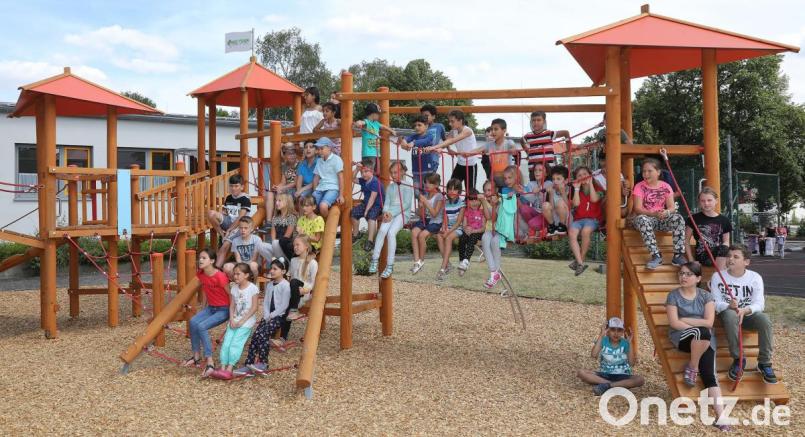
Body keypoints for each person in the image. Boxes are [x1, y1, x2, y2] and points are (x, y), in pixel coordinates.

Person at [666, 261, 731, 431]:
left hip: (706, 339)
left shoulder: (705, 296)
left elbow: (709, 322)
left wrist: (687, 320)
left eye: (688, 274)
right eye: (681, 273)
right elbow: (674, 323)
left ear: (698, 278)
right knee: (702, 332)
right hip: (682, 337)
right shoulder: (673, 296)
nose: (683, 277)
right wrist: (696, 327)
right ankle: (693, 367)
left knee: (710, 375)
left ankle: (722, 418)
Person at [710, 245, 777, 384]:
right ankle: (739, 358)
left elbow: (760, 304)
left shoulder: (755, 277)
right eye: (729, 256)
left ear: (746, 262)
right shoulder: (718, 276)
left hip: (747, 314)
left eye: (736, 257)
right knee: (730, 315)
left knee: (764, 319)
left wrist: (745, 310)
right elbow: (715, 302)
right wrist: (728, 305)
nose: (730, 259)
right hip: (727, 314)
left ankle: (764, 363)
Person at [237, 257, 291, 376]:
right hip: (267, 316)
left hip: (278, 317)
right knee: (256, 335)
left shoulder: (285, 285)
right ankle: (249, 364)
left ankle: (263, 363)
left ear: (283, 271)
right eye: (271, 268)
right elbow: (266, 301)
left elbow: (284, 305)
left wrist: (272, 315)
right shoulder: (270, 284)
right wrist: (266, 314)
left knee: (263, 334)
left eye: (275, 269)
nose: (271, 271)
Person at [631, 158, 686, 269]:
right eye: (644, 171)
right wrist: (653, 213)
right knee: (642, 218)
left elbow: (671, 208)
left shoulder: (666, 186)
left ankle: (678, 255)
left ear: (658, 172)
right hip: (646, 219)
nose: (646, 174)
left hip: (661, 218)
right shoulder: (639, 187)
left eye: (649, 171)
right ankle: (656, 256)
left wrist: (666, 212)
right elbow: (637, 208)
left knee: (678, 218)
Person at [183, 249, 230, 378]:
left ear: (212, 261)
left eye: (204, 258)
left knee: (201, 326)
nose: (200, 260)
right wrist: (204, 307)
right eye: (200, 258)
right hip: (211, 308)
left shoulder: (220, 276)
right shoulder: (201, 274)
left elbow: (231, 295)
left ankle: (210, 361)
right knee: (193, 321)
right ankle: (196, 356)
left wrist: (233, 315)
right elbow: (205, 289)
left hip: (224, 309)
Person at [211, 263, 260, 380]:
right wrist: (232, 319)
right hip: (234, 320)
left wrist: (242, 321)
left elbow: (254, 308)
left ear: (247, 275)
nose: (235, 276)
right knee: (227, 342)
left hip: (246, 322)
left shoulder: (253, 288)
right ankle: (222, 366)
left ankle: (230, 367)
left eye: (238, 274)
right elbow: (232, 306)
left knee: (235, 343)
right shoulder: (233, 288)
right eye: (234, 274)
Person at [576, 317, 645, 396]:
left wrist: (630, 344)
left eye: (619, 330)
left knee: (640, 379)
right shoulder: (604, 340)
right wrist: (601, 335)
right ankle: (615, 384)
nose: (616, 333)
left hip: (622, 375)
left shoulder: (625, 343)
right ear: (608, 331)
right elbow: (593, 355)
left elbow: (632, 363)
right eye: (613, 329)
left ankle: (608, 386)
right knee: (581, 372)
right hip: (604, 375)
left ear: (623, 332)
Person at [368, 161, 414, 278]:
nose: (393, 175)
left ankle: (390, 265)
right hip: (390, 213)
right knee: (382, 230)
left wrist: (391, 213)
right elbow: (387, 202)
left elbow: (406, 204)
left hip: (402, 214)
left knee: (391, 233)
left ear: (402, 172)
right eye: (392, 173)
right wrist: (385, 213)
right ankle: (374, 259)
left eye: (396, 172)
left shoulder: (408, 186)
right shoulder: (390, 187)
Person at [427, 109, 479, 192]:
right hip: (460, 164)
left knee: (470, 191)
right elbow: (447, 141)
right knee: (451, 187)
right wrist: (443, 149)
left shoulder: (467, 131)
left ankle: (470, 204)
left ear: (460, 121)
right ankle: (454, 204)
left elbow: (452, 140)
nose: (450, 123)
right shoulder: (453, 131)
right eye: (449, 121)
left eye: (452, 121)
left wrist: (434, 147)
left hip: (470, 165)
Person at [207, 174, 251, 268]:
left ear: (242, 187)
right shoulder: (229, 198)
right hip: (228, 223)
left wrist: (230, 230)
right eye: (231, 186)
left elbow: (240, 218)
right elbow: (225, 213)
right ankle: (222, 234)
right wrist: (221, 219)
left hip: (239, 226)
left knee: (224, 246)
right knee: (211, 213)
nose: (233, 188)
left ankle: (216, 269)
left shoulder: (245, 199)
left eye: (236, 186)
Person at [685, 187, 731, 270]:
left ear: (716, 201)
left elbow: (726, 242)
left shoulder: (724, 220)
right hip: (703, 255)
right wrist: (691, 260)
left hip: (720, 254)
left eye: (709, 200)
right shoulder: (693, 219)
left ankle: (721, 274)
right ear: (699, 202)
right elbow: (686, 241)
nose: (706, 203)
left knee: (732, 250)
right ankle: (720, 277)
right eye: (703, 201)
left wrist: (724, 254)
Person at [568, 166, 602, 276]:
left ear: (590, 174)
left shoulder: (597, 188)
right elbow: (576, 204)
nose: (582, 176)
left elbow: (594, 199)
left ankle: (579, 262)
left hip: (593, 219)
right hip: (579, 219)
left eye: (584, 174)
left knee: (585, 231)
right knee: (572, 232)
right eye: (579, 175)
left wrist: (591, 183)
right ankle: (580, 263)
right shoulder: (577, 191)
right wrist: (577, 188)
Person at [467, 119, 518, 189]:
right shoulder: (489, 145)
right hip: (495, 179)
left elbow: (513, 148)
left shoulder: (508, 142)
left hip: (507, 180)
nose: (493, 132)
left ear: (504, 130)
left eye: (496, 129)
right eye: (492, 129)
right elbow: (478, 150)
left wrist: (513, 150)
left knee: (507, 196)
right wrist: (467, 153)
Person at [410, 173, 444, 275]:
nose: (426, 184)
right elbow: (422, 215)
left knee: (421, 235)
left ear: (436, 185)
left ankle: (421, 260)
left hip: (436, 221)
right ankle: (416, 261)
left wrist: (425, 202)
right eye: (425, 182)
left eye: (430, 183)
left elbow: (434, 214)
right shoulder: (425, 196)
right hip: (426, 220)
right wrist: (421, 207)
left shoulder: (439, 196)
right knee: (414, 232)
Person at [520, 111, 570, 175]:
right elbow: (521, 141)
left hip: (548, 169)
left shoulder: (549, 134)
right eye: (533, 120)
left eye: (539, 120)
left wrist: (568, 152)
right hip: (533, 170)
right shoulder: (528, 136)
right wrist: (528, 153)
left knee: (548, 184)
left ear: (544, 121)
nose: (536, 122)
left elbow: (566, 133)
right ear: (531, 122)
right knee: (533, 185)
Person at [351, 157, 383, 251]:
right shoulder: (363, 180)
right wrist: (357, 169)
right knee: (353, 213)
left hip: (377, 205)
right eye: (362, 172)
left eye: (366, 172)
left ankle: (370, 241)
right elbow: (352, 179)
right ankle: (356, 234)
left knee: (371, 216)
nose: (363, 174)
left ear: (372, 171)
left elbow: (373, 198)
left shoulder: (375, 182)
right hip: (366, 203)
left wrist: (366, 211)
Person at [400, 115, 438, 194]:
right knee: (417, 192)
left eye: (419, 125)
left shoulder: (429, 136)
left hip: (427, 170)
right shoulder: (414, 136)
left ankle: (427, 205)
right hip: (416, 170)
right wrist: (403, 141)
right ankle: (421, 205)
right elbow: (406, 139)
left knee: (427, 191)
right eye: (415, 125)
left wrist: (413, 143)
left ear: (426, 126)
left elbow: (425, 141)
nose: (416, 127)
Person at [436, 179, 465, 280]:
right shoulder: (445, 203)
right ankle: (448, 264)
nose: (452, 191)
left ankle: (443, 268)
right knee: (439, 236)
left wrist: (448, 231)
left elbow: (458, 222)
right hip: (448, 227)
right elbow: (445, 219)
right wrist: (444, 228)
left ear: (459, 191)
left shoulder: (462, 204)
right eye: (450, 189)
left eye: (455, 189)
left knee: (448, 238)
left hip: (458, 228)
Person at [286, 235, 318, 322]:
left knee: (294, 282)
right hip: (293, 290)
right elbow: (290, 277)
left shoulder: (313, 263)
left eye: (297, 245)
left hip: (304, 292)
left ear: (306, 246)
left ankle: (294, 310)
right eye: (294, 245)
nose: (295, 247)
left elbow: (313, 283)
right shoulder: (293, 261)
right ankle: (283, 335)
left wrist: (305, 290)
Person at [354, 103, 395, 169]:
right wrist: (359, 123)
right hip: (368, 153)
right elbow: (361, 122)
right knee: (368, 172)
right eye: (378, 114)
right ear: (373, 114)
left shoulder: (376, 123)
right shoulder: (367, 122)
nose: (379, 116)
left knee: (376, 172)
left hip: (376, 153)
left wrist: (391, 130)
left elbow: (383, 127)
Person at [518, 163, 552, 241]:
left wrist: (540, 189)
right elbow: (533, 200)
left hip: (545, 214)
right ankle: (535, 228)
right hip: (536, 211)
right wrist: (523, 192)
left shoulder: (549, 183)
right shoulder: (531, 184)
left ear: (546, 173)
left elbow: (547, 201)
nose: (537, 172)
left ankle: (538, 228)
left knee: (532, 224)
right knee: (523, 208)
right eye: (535, 170)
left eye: (540, 170)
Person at [311, 137, 344, 218]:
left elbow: (340, 177)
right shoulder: (319, 160)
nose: (319, 151)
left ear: (329, 148)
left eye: (322, 148)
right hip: (320, 188)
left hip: (332, 188)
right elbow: (316, 177)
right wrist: (315, 191)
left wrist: (341, 195)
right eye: (318, 149)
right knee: (310, 205)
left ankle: (325, 224)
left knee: (323, 206)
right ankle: (317, 224)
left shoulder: (337, 159)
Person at [266, 142, 299, 222]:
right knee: (270, 193)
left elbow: (295, 183)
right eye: (289, 154)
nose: (292, 156)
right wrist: (277, 186)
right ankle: (269, 221)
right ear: (285, 156)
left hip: (295, 189)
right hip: (286, 188)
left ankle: (279, 219)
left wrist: (282, 188)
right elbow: (283, 182)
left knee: (280, 194)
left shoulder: (300, 165)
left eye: (293, 154)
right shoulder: (285, 166)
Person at [223, 216, 264, 280]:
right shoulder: (235, 241)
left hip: (253, 265)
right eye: (241, 228)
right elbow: (238, 259)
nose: (243, 230)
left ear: (251, 229)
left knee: (252, 265)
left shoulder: (257, 239)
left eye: (246, 228)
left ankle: (253, 286)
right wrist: (241, 268)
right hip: (241, 264)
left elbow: (254, 259)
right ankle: (237, 283)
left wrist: (244, 268)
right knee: (227, 267)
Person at [457, 188, 485, 276]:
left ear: (480, 201)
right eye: (471, 200)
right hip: (469, 231)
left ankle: (466, 260)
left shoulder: (482, 212)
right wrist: (466, 229)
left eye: (476, 200)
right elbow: (464, 225)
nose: (474, 202)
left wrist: (474, 231)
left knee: (472, 239)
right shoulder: (467, 212)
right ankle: (462, 261)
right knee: (462, 239)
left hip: (478, 232)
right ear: (467, 202)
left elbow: (483, 228)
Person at [264, 193, 297, 260]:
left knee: (276, 243)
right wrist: (274, 244)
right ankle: (277, 260)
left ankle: (281, 261)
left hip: (286, 245)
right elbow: (273, 235)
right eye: (276, 200)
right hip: (276, 245)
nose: (276, 203)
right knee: (261, 245)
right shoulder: (275, 218)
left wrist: (276, 244)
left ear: (287, 202)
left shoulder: (291, 217)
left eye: (279, 200)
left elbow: (287, 236)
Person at [542, 165, 571, 236]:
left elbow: (571, 207)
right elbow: (551, 208)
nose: (555, 181)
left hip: (567, 218)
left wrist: (563, 192)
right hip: (555, 218)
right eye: (553, 179)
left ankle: (562, 226)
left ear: (566, 180)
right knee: (545, 205)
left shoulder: (570, 188)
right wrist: (551, 194)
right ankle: (552, 226)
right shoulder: (551, 189)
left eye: (558, 179)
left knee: (560, 202)